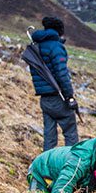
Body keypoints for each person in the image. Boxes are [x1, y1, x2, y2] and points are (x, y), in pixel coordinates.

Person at [29, 16, 78, 150]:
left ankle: (46, 165)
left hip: (44, 98)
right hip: (58, 97)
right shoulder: (56, 47)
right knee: (70, 132)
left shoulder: (36, 46)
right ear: (59, 31)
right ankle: (71, 164)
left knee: (49, 136)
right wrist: (70, 96)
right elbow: (62, 74)